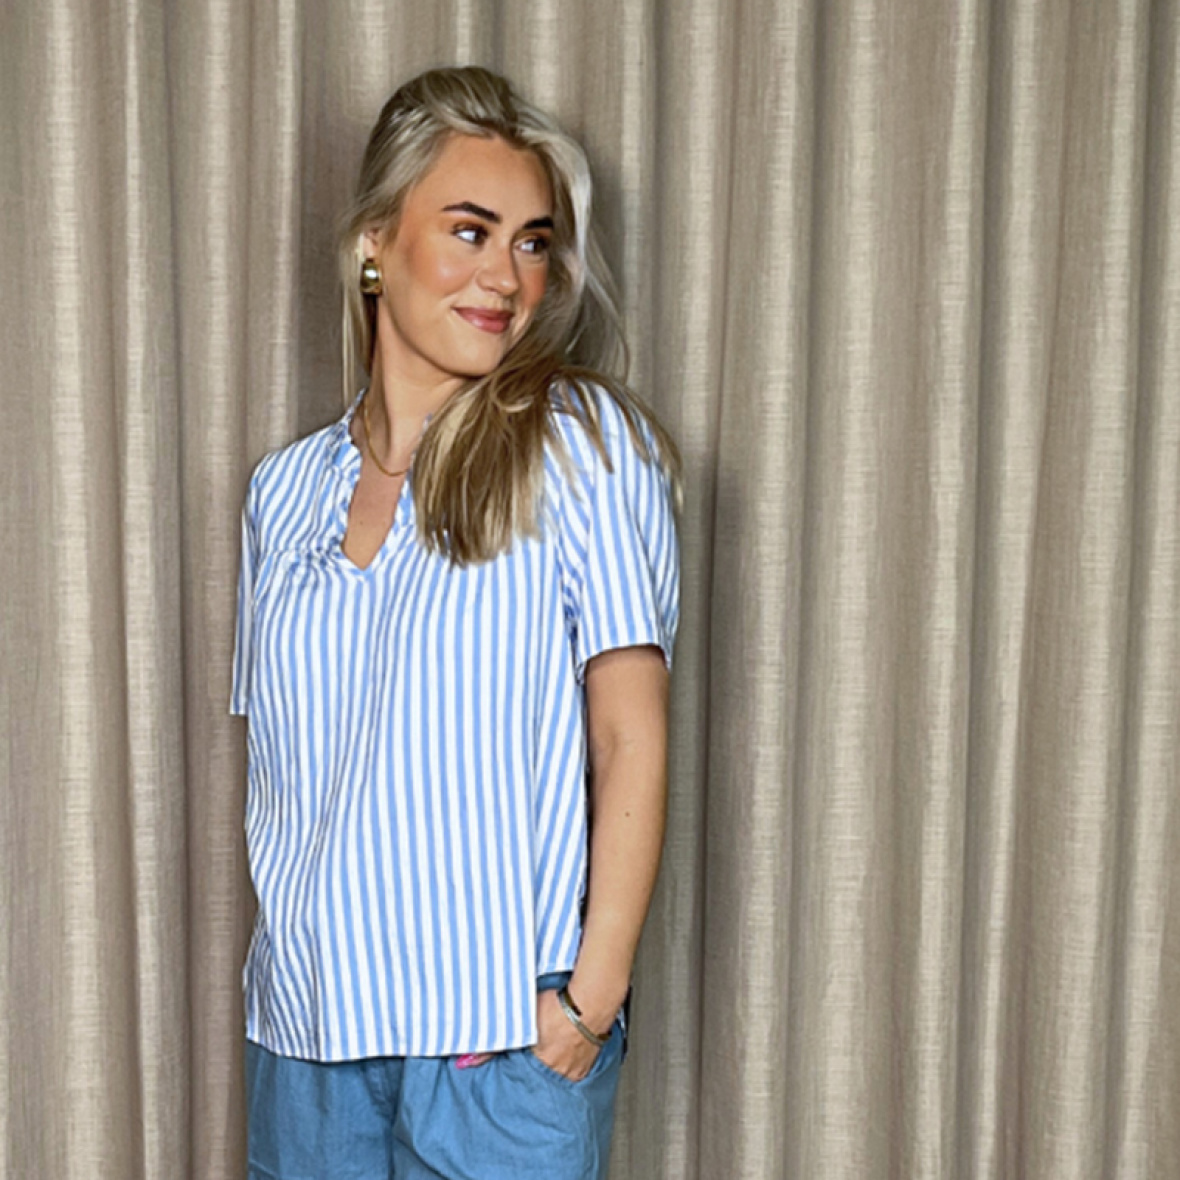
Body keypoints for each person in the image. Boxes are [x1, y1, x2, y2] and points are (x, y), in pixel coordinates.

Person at [231, 65, 681, 1180]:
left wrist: (587, 1002)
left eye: (532, 243)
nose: (505, 277)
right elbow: (291, 774)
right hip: (307, 1036)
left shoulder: (580, 444)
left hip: (498, 1045)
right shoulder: (282, 492)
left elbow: (629, 734)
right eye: (470, 231)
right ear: (374, 243)